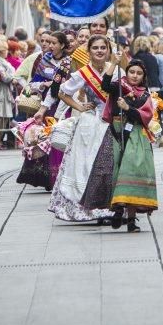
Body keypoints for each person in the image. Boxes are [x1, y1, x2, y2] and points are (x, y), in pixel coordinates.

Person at [48, 35, 115, 222]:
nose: (100, 51)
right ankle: (87, 208)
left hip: (111, 122)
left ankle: (108, 208)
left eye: (103, 47)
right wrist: (79, 106)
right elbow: (62, 92)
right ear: (89, 51)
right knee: (85, 165)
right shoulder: (83, 73)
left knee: (108, 166)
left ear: (108, 50)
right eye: (96, 48)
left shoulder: (116, 70)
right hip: (90, 124)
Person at [102, 57, 158, 232]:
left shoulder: (145, 95)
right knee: (116, 172)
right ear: (126, 72)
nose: (134, 76)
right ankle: (118, 208)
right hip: (116, 132)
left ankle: (131, 219)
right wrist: (114, 63)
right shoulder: (118, 87)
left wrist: (127, 108)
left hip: (135, 136)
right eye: (132, 72)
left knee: (131, 171)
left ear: (143, 76)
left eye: (139, 73)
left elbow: (145, 116)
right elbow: (104, 85)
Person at [16, 32, 72, 190]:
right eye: (48, 42)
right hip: (47, 104)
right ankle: (44, 179)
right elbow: (33, 83)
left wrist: (54, 85)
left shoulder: (69, 62)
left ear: (62, 45)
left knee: (59, 140)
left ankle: (58, 177)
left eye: (54, 43)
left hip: (64, 106)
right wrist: (43, 85)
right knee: (44, 139)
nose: (50, 46)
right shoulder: (45, 59)